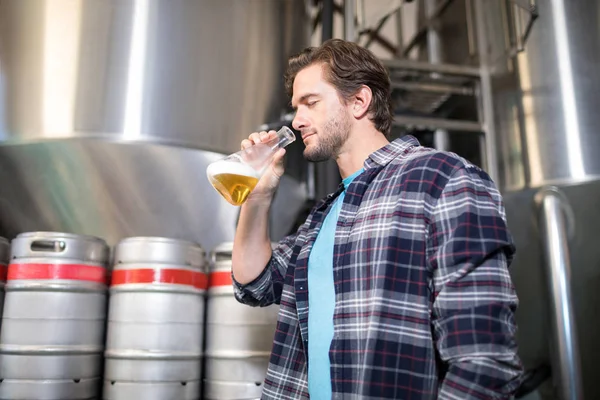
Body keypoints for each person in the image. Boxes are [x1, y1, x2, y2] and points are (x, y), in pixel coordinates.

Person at [231, 39, 522, 400]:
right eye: (296, 107)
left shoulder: (442, 179)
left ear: (359, 101)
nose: (297, 120)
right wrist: (257, 197)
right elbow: (254, 284)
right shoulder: (321, 217)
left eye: (311, 103)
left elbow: (485, 364)